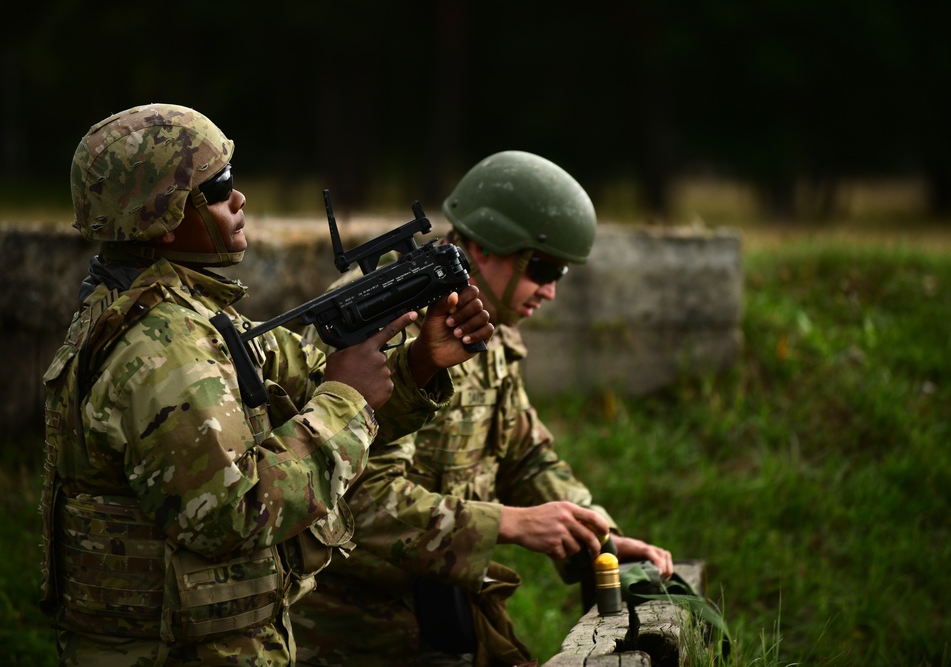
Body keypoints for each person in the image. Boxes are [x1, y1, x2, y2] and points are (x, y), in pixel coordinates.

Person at [37, 103, 493, 667]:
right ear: (164, 214)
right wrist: (344, 403)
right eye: (220, 186)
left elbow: (301, 380)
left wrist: (420, 364)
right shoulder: (161, 348)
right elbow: (229, 514)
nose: (240, 199)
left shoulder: (183, 312)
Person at [290, 150, 674, 667]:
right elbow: (349, 500)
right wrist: (508, 525)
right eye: (542, 267)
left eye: (561, 271)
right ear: (481, 247)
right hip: (354, 636)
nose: (552, 290)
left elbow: (523, 452)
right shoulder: (378, 320)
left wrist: (595, 534)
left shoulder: (486, 320)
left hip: (444, 617)